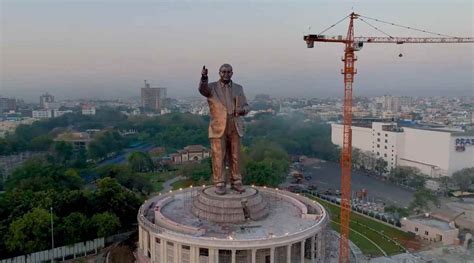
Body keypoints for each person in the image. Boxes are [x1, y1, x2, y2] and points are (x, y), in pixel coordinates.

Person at [198, 64, 249, 195]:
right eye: (223, 72)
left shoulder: (238, 88)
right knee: (218, 156)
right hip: (218, 126)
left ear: (232, 73)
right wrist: (204, 77)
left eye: (228, 72)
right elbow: (202, 90)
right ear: (219, 73)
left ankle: (236, 181)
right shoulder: (212, 87)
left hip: (235, 124)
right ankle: (219, 182)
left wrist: (242, 110)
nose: (226, 74)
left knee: (236, 155)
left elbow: (247, 106)